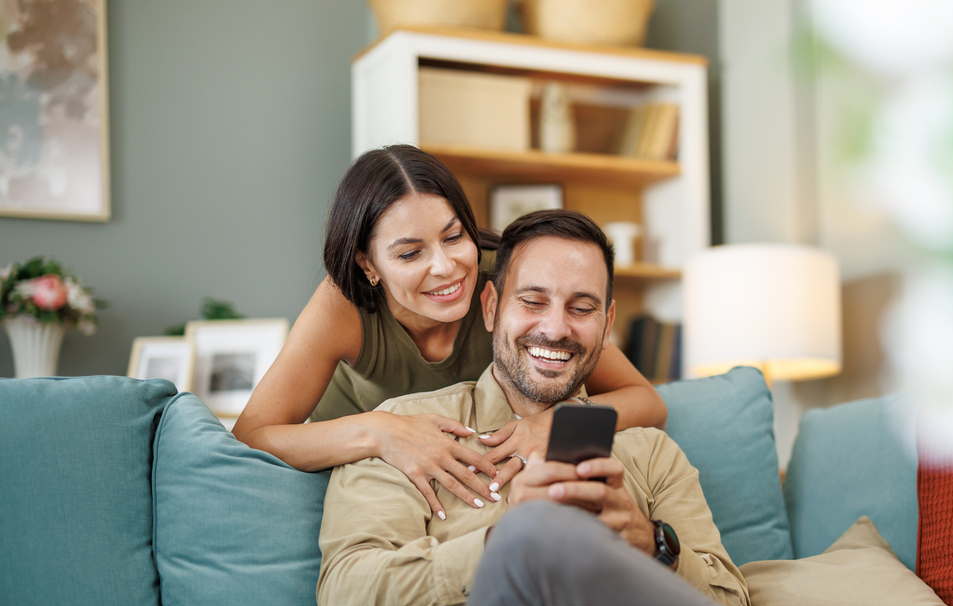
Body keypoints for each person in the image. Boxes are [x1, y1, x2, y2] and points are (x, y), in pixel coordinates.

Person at [317, 209, 953, 606]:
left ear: (606, 323)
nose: (555, 327)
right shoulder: (406, 433)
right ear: (490, 308)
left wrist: (651, 546)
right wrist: (502, 547)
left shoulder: (649, 453)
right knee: (531, 540)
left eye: (580, 307)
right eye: (533, 301)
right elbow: (344, 603)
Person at [232, 145, 666, 520]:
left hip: (468, 489)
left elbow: (646, 400)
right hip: (363, 477)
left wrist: (551, 425)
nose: (446, 267)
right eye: (409, 253)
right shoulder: (341, 303)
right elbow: (252, 435)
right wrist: (382, 431)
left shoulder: (510, 287)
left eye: (454, 236)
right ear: (368, 265)